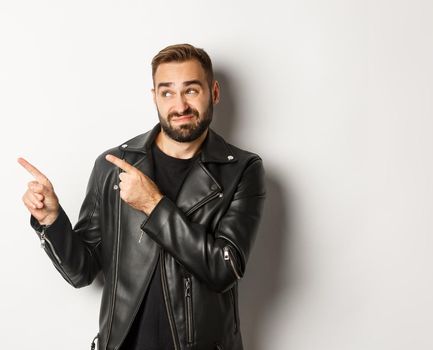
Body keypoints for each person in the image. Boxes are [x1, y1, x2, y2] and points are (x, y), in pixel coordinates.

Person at [18, 43, 266, 350]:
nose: (180, 105)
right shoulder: (112, 166)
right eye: (167, 92)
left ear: (213, 93)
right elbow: (82, 272)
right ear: (155, 98)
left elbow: (223, 269)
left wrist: (153, 204)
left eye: (191, 90)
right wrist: (51, 221)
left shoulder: (242, 170)